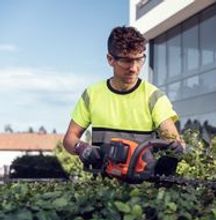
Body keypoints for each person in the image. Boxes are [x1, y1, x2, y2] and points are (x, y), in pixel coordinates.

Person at [63, 26, 184, 171]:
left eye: (139, 59)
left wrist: (175, 148)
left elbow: (172, 138)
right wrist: (81, 148)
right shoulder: (92, 94)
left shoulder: (153, 96)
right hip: (101, 186)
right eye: (127, 61)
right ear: (110, 59)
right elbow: (69, 138)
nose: (134, 68)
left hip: (143, 187)